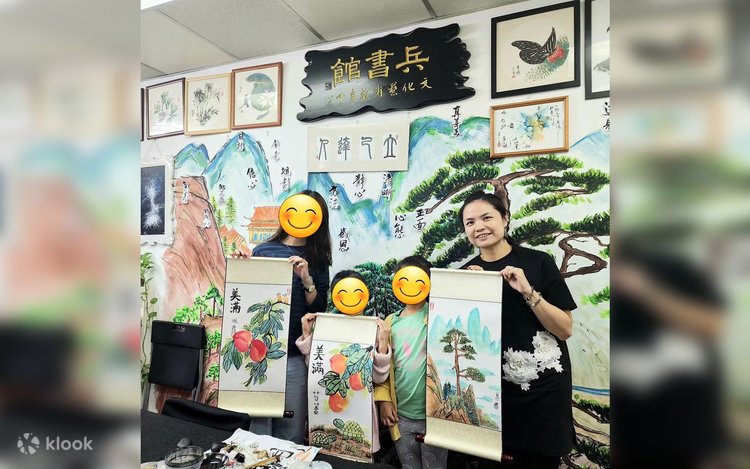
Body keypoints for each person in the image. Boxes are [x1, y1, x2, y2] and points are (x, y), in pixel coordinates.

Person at [458, 192, 576, 468]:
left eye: (487, 218)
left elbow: (565, 329)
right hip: (492, 396)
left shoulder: (538, 262)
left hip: (543, 391)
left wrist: (527, 291)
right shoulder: (464, 274)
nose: (479, 227)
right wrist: (470, 293)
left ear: (505, 219)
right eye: (470, 222)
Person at [250, 189, 332, 444]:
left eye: (310, 213)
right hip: (260, 352)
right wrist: (242, 266)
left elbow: (319, 308)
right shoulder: (263, 250)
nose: (302, 217)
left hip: (295, 354)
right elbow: (249, 297)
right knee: (257, 427)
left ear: (319, 220)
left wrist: (306, 279)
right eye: (297, 210)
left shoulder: (318, 259)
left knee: (291, 431)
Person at [295, 270, 392, 453]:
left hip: (363, 417)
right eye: (344, 292)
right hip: (327, 414)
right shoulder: (325, 326)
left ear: (365, 294)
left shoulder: (375, 328)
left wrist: (383, 344)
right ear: (335, 296)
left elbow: (379, 378)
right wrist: (307, 334)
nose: (350, 297)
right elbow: (316, 369)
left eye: (356, 291)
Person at [375, 255, 449, 469]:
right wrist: (384, 401)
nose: (410, 286)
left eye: (417, 280)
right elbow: (383, 367)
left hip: (433, 418)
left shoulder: (437, 316)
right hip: (401, 417)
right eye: (404, 280)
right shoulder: (390, 322)